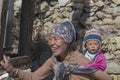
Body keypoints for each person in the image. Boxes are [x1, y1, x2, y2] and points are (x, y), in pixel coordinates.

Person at [0, 21, 112, 80]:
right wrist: (12, 69)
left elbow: (107, 78)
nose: (51, 43)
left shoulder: (83, 63)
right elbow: (34, 77)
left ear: (67, 41)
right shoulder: (54, 61)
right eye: (50, 39)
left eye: (56, 39)